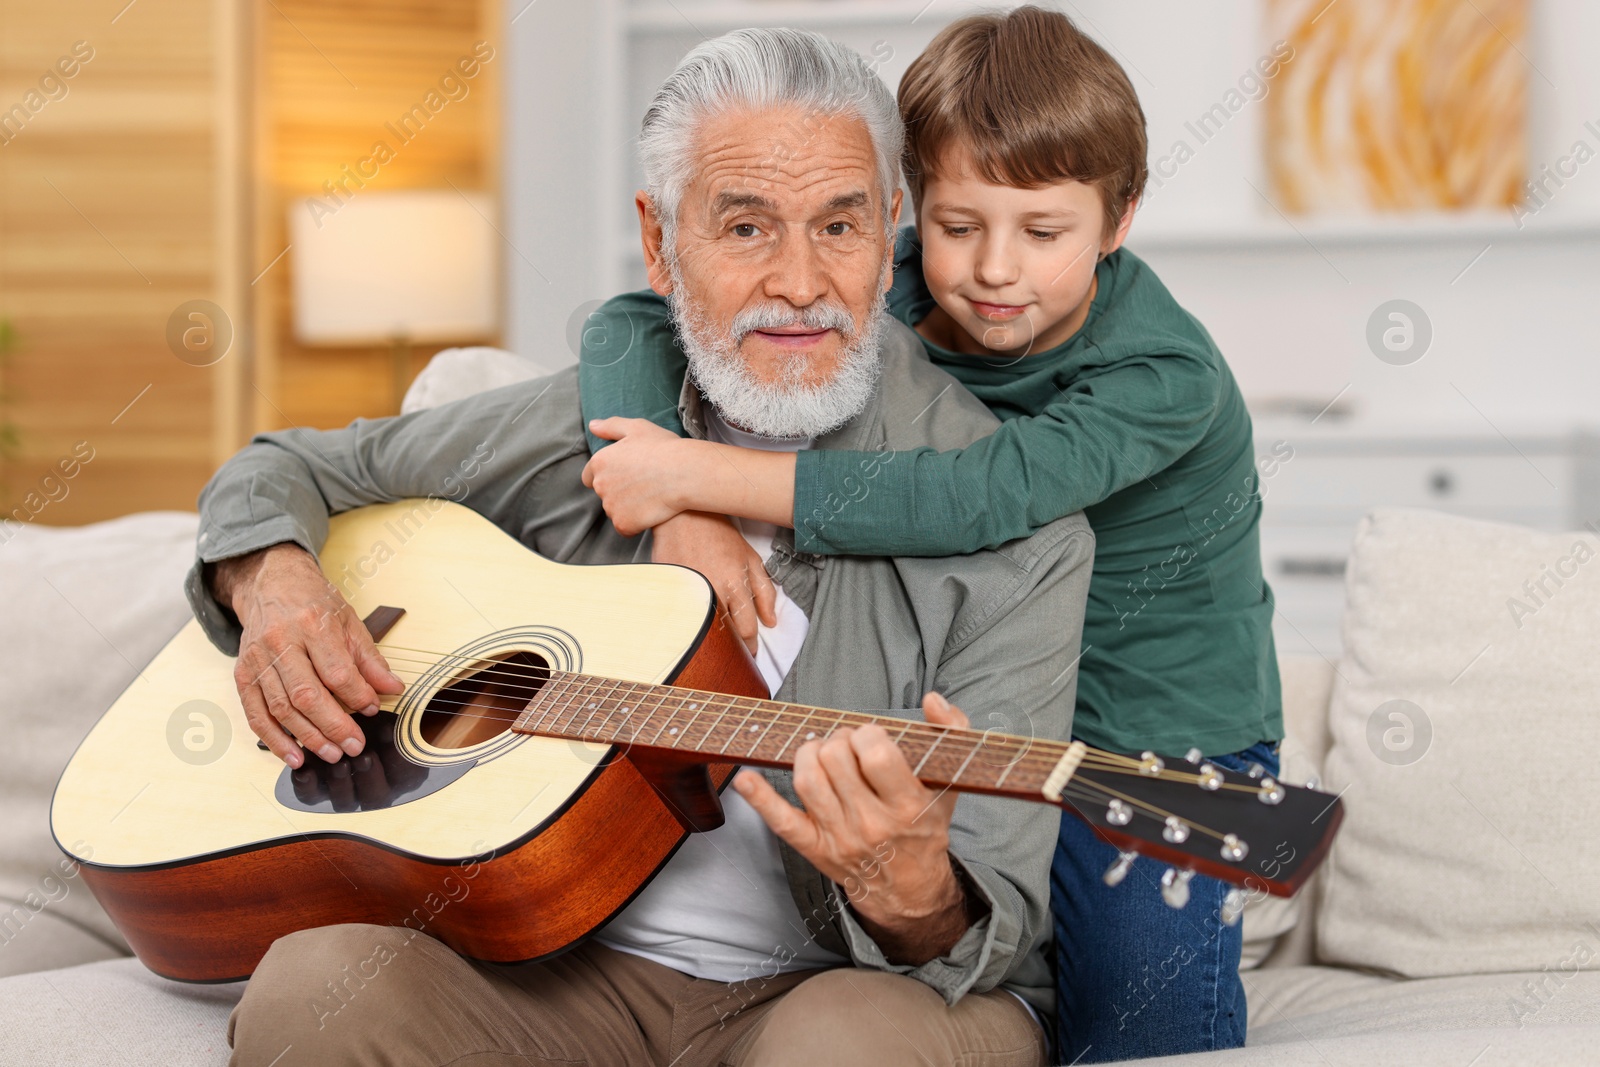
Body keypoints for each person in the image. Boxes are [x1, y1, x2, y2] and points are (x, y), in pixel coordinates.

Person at [188, 26, 1093, 1067]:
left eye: (838, 225)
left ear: (888, 227)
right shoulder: (587, 419)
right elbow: (278, 470)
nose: (800, 282)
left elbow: (988, 920)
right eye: (746, 227)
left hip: (846, 987)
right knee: (314, 993)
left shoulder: (1014, 527)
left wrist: (915, 891)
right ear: (660, 243)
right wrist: (275, 584)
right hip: (557, 962)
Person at [577, 8, 1283, 1062]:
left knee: (1137, 1020)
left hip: (1152, 734)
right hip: (984, 685)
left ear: (1119, 218)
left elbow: (974, 498)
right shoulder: (886, 278)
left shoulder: (1163, 376)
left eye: (1043, 233)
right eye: (958, 227)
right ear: (913, 207)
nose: (995, 270)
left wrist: (695, 471)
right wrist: (682, 513)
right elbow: (627, 323)